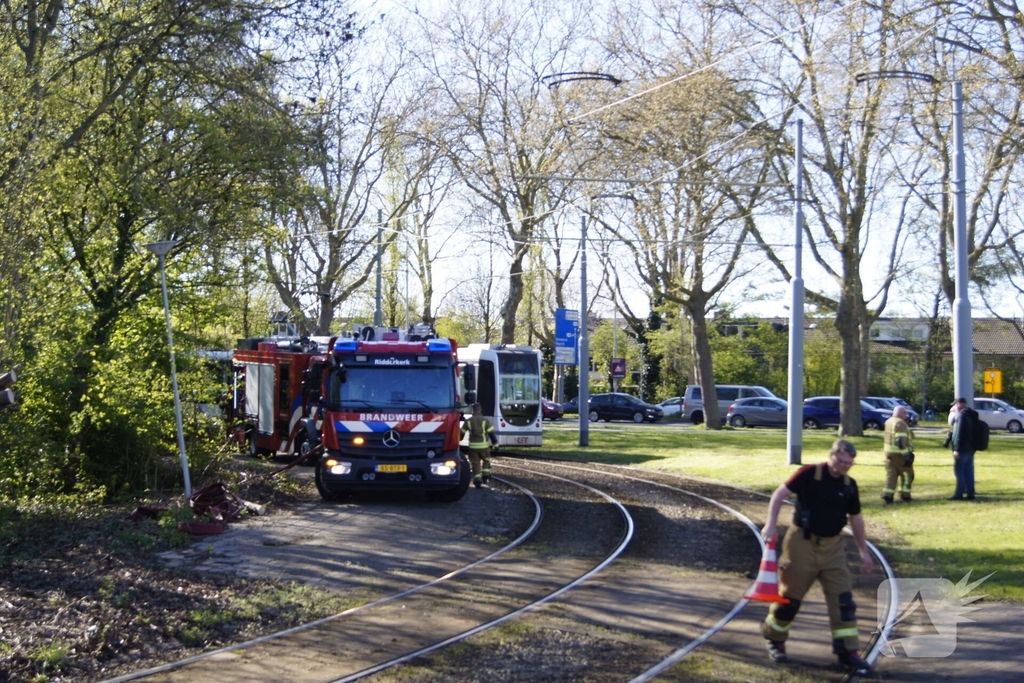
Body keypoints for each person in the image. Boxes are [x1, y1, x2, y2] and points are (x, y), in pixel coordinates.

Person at [760, 439, 873, 673]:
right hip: (802, 543)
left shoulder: (849, 485)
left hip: (833, 548)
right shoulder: (809, 474)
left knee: (844, 601)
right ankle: (776, 640)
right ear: (831, 455)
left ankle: (847, 652)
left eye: (849, 464)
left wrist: (864, 551)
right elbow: (779, 494)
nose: (843, 467)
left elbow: (856, 519)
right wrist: (770, 525)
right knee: (789, 598)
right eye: (841, 461)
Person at [881, 405, 914, 504]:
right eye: (905, 413)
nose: (906, 415)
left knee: (891, 474)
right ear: (901, 413)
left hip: (888, 453)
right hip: (899, 454)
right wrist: (906, 454)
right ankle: (905, 495)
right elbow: (900, 440)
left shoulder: (889, 421)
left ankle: (887, 496)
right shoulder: (900, 423)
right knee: (908, 474)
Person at [461, 403, 497, 488]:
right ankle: (486, 477)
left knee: (475, 463)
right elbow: (491, 434)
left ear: (473, 410)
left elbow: (461, 434)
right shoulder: (485, 420)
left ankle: (477, 481)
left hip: (473, 447)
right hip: (484, 447)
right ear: (480, 410)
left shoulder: (468, 421)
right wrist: (496, 444)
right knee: (486, 461)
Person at [948, 397, 978, 501]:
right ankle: (970, 493)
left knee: (959, 471)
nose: (954, 407)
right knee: (969, 471)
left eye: (955, 405)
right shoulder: (971, 415)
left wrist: (957, 449)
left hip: (962, 448)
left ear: (959, 404)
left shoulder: (961, 416)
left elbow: (959, 433)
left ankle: (959, 494)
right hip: (970, 448)